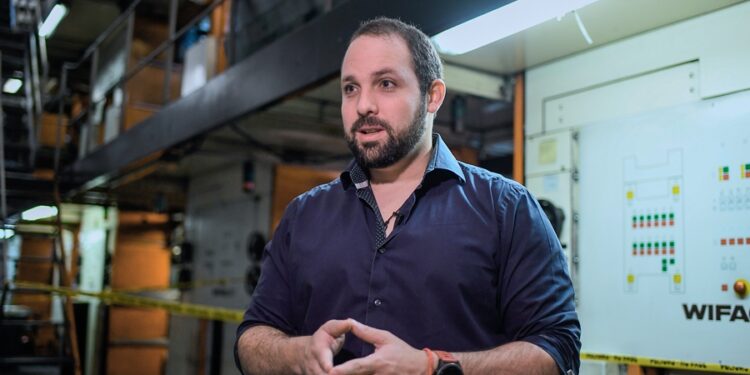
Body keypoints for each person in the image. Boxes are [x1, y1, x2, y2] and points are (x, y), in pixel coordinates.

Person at [235, 17, 580, 375]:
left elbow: (557, 351)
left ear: (433, 96)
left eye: (386, 84)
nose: (363, 104)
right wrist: (296, 354)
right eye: (350, 88)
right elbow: (251, 338)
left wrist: (433, 366)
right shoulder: (303, 216)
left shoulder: (506, 210)